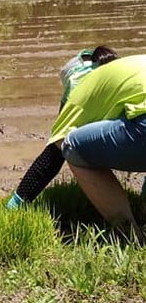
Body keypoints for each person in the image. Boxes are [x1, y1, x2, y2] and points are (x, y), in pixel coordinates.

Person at [43, 54, 146, 239]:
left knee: (71, 145)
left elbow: (55, 149)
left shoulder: (81, 91)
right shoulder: (128, 69)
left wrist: (18, 200)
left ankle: (128, 233)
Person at [7, 46, 119, 209]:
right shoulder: (106, 77)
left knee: (57, 149)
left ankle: (15, 204)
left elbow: (62, 121)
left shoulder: (77, 76)